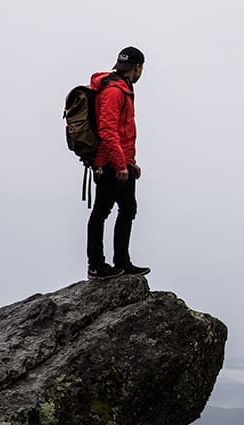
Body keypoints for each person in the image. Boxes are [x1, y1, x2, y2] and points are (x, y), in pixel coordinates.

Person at [86, 46, 150, 280]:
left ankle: (122, 262)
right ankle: (96, 265)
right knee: (101, 211)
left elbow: (123, 132)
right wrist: (120, 163)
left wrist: (131, 163)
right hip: (109, 163)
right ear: (138, 67)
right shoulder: (114, 91)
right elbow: (107, 130)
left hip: (122, 162)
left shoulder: (124, 88)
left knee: (128, 209)